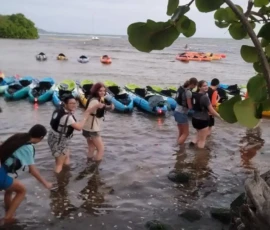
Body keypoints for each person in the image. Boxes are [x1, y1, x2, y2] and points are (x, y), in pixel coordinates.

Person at [0, 124, 52, 222]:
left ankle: (9, 209)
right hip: (0, 174)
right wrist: (45, 183)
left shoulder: (18, 137)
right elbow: (32, 170)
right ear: (41, 138)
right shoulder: (28, 147)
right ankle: (8, 218)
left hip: (2, 169)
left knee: (10, 189)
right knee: (22, 191)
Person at [47, 95, 104, 173]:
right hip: (59, 141)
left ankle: (66, 173)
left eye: (75, 103)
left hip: (53, 137)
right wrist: (86, 114)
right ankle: (58, 182)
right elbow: (79, 127)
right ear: (65, 104)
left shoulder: (59, 109)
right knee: (59, 164)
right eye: (71, 103)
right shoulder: (67, 117)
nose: (74, 105)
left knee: (66, 156)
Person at [82, 82, 114, 163]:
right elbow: (88, 111)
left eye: (104, 91)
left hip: (86, 128)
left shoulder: (93, 98)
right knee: (101, 149)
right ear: (96, 91)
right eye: (100, 91)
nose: (102, 92)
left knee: (91, 148)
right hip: (93, 129)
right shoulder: (95, 101)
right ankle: (95, 167)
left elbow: (103, 107)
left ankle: (89, 163)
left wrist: (110, 107)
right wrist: (96, 106)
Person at [191, 80, 222, 149]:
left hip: (194, 119)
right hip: (203, 120)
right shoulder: (205, 97)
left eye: (206, 85)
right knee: (202, 140)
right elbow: (212, 110)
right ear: (199, 87)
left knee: (198, 135)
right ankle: (200, 157)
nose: (206, 87)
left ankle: (191, 147)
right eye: (204, 86)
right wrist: (220, 117)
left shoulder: (194, 94)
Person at [174, 78, 198, 146]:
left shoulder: (181, 88)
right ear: (193, 84)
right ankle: (178, 147)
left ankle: (179, 146)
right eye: (195, 86)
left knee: (181, 133)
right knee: (186, 133)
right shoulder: (188, 92)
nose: (195, 87)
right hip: (182, 114)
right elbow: (190, 106)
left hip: (176, 112)